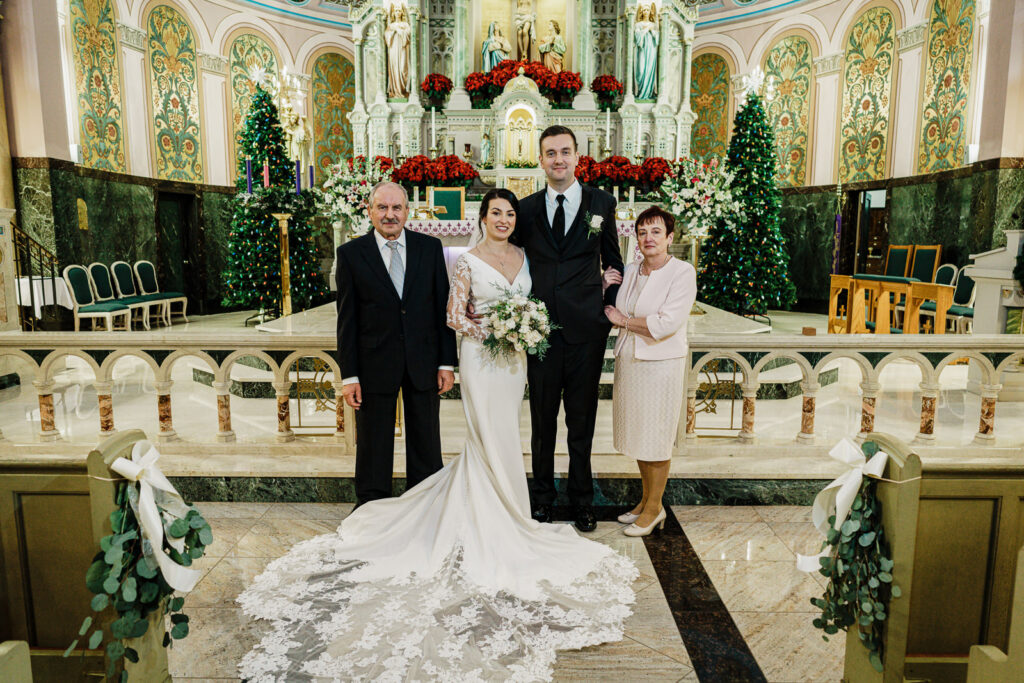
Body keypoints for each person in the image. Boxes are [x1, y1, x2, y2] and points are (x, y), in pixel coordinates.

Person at [238, 188, 637, 681]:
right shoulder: (462, 259)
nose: (505, 220)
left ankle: (507, 505)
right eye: (496, 213)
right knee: (481, 434)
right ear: (483, 218)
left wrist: (526, 324)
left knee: (504, 436)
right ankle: (412, 504)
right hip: (480, 356)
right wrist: (497, 326)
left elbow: (541, 292)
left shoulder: (522, 254)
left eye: (511, 214)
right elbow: (453, 314)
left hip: (512, 361)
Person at [510, 125, 624, 531]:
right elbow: (513, 262)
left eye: (565, 152)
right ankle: (541, 498)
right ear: (540, 160)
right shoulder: (523, 210)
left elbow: (614, 262)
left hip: (586, 331)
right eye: (550, 153)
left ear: (578, 156)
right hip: (538, 332)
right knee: (542, 421)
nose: (558, 159)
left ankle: (581, 500)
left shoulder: (601, 203)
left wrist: (606, 310)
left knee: (582, 419)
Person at [334, 181, 456, 506]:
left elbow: (441, 307)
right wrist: (350, 376)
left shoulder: (430, 248)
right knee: (373, 443)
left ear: (407, 211)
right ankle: (371, 508)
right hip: (374, 363)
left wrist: (446, 362)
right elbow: (347, 322)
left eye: (397, 208)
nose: (390, 215)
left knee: (426, 443)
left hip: (423, 362)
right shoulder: (350, 255)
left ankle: (426, 504)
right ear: (370, 210)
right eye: (383, 208)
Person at [603, 206, 696, 536]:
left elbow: (667, 323)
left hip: (661, 365)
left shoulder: (681, 272)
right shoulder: (631, 270)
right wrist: (604, 284)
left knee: (656, 437)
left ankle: (656, 508)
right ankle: (645, 500)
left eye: (656, 232)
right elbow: (616, 304)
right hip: (631, 361)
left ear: (670, 237)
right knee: (640, 434)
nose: (648, 238)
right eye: (642, 232)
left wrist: (623, 321)